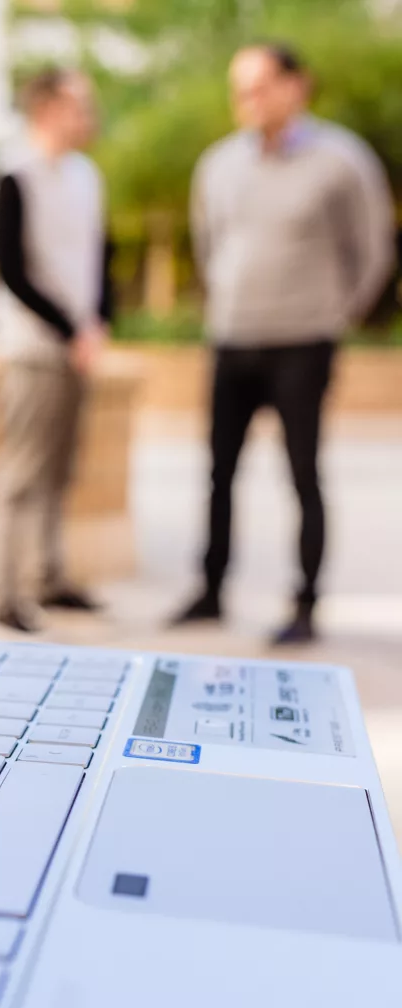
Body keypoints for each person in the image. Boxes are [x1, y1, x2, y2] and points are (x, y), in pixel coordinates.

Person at [172, 43, 396, 645]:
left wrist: (334, 316)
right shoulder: (218, 164)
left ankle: (305, 604)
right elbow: (209, 243)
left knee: (302, 473)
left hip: (304, 341)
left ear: (299, 86)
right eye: (240, 87)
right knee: (218, 471)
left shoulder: (342, 161)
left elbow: (373, 250)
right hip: (232, 337)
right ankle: (211, 590)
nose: (250, 98)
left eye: (262, 84)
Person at [0, 68, 113, 633]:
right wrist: (68, 328)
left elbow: (102, 255)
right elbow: (10, 269)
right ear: (47, 109)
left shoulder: (86, 175)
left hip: (78, 347)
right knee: (22, 471)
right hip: (33, 347)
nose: (88, 114)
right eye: (78, 104)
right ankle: (4, 593)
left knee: (62, 469)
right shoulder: (13, 173)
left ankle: (49, 576)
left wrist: (100, 321)